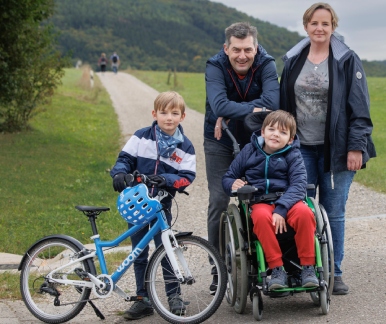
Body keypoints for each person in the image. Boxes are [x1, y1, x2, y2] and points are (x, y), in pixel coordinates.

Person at [280, 2, 376, 295]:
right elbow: (283, 107)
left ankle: (334, 271)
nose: (319, 28)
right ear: (306, 26)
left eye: (325, 23)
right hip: (301, 149)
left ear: (333, 26)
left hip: (337, 150)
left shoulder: (346, 60)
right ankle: (303, 270)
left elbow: (360, 109)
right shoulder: (294, 60)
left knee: (333, 213)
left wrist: (356, 147)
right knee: (302, 211)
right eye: (314, 23)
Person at [204, 21, 280, 294]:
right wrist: (255, 107)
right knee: (219, 199)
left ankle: (266, 264)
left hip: (257, 140)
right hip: (220, 140)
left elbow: (273, 103)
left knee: (262, 196)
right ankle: (218, 269)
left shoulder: (267, 63)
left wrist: (234, 110)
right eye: (236, 50)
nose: (242, 56)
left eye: (248, 49)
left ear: (255, 47)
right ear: (227, 49)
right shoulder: (214, 65)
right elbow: (219, 104)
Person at [110, 91, 196, 319]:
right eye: (164, 112)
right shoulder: (141, 137)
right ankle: (142, 298)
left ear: (183, 116)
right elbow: (125, 159)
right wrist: (119, 173)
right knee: (139, 252)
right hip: (136, 203)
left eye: (174, 113)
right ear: (154, 114)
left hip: (161, 206)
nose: (169, 117)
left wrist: (166, 180)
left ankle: (173, 296)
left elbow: (187, 176)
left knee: (166, 250)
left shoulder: (185, 147)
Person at [222, 110, 318, 290]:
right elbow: (228, 177)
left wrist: (281, 208)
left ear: (290, 139)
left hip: (288, 200)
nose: (276, 134)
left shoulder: (293, 154)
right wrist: (232, 184)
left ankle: (308, 267)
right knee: (259, 217)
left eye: (283, 132)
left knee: (305, 213)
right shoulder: (249, 151)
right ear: (263, 132)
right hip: (260, 201)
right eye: (271, 129)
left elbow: (299, 184)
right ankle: (276, 269)